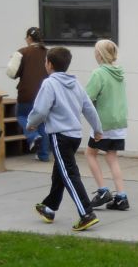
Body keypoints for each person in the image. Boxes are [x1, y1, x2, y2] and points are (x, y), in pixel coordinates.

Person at [27, 47, 104, 232]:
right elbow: (89, 108)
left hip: (60, 136)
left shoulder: (49, 84)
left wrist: (31, 123)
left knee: (69, 175)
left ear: (50, 64)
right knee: (60, 174)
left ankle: (86, 213)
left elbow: (40, 109)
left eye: (46, 61)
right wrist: (97, 129)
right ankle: (49, 208)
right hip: (74, 136)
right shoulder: (75, 83)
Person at [85, 39, 130, 211]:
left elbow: (87, 97)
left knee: (90, 154)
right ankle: (121, 196)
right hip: (119, 122)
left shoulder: (99, 74)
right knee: (111, 157)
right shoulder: (119, 72)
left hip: (103, 122)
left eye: (95, 51)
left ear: (100, 54)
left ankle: (103, 191)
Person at [6, 26, 50, 161]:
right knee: (42, 123)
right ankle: (43, 155)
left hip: (27, 93)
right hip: (45, 94)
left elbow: (11, 73)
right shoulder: (48, 53)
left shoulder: (22, 52)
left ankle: (32, 136)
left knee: (22, 115)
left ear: (29, 38)